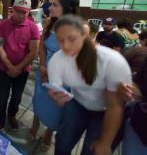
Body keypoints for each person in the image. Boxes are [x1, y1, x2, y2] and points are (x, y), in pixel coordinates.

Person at [47, 14, 131, 155]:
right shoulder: (58, 60)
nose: (66, 46)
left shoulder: (112, 61)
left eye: (72, 39)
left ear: (86, 35)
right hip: (78, 102)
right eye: (60, 40)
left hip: (105, 111)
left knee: (91, 149)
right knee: (63, 142)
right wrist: (56, 95)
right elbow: (55, 86)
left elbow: (115, 106)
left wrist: (105, 142)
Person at [30, 0, 80, 151]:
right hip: (45, 67)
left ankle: (49, 132)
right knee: (39, 97)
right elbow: (42, 45)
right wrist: (43, 65)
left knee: (55, 106)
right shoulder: (49, 22)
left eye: (54, 5)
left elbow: (74, 60)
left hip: (62, 75)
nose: (49, 7)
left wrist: (52, 73)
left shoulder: (76, 29)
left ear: (68, 8)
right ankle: (35, 123)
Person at [0, 0, 40, 129]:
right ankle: (0, 120)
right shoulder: (3, 25)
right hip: (4, 68)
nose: (21, 15)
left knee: (17, 97)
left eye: (24, 12)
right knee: (2, 97)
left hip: (22, 70)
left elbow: (33, 51)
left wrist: (18, 68)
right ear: (12, 10)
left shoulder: (33, 27)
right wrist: (10, 66)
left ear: (29, 12)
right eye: (18, 11)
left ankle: (12, 116)